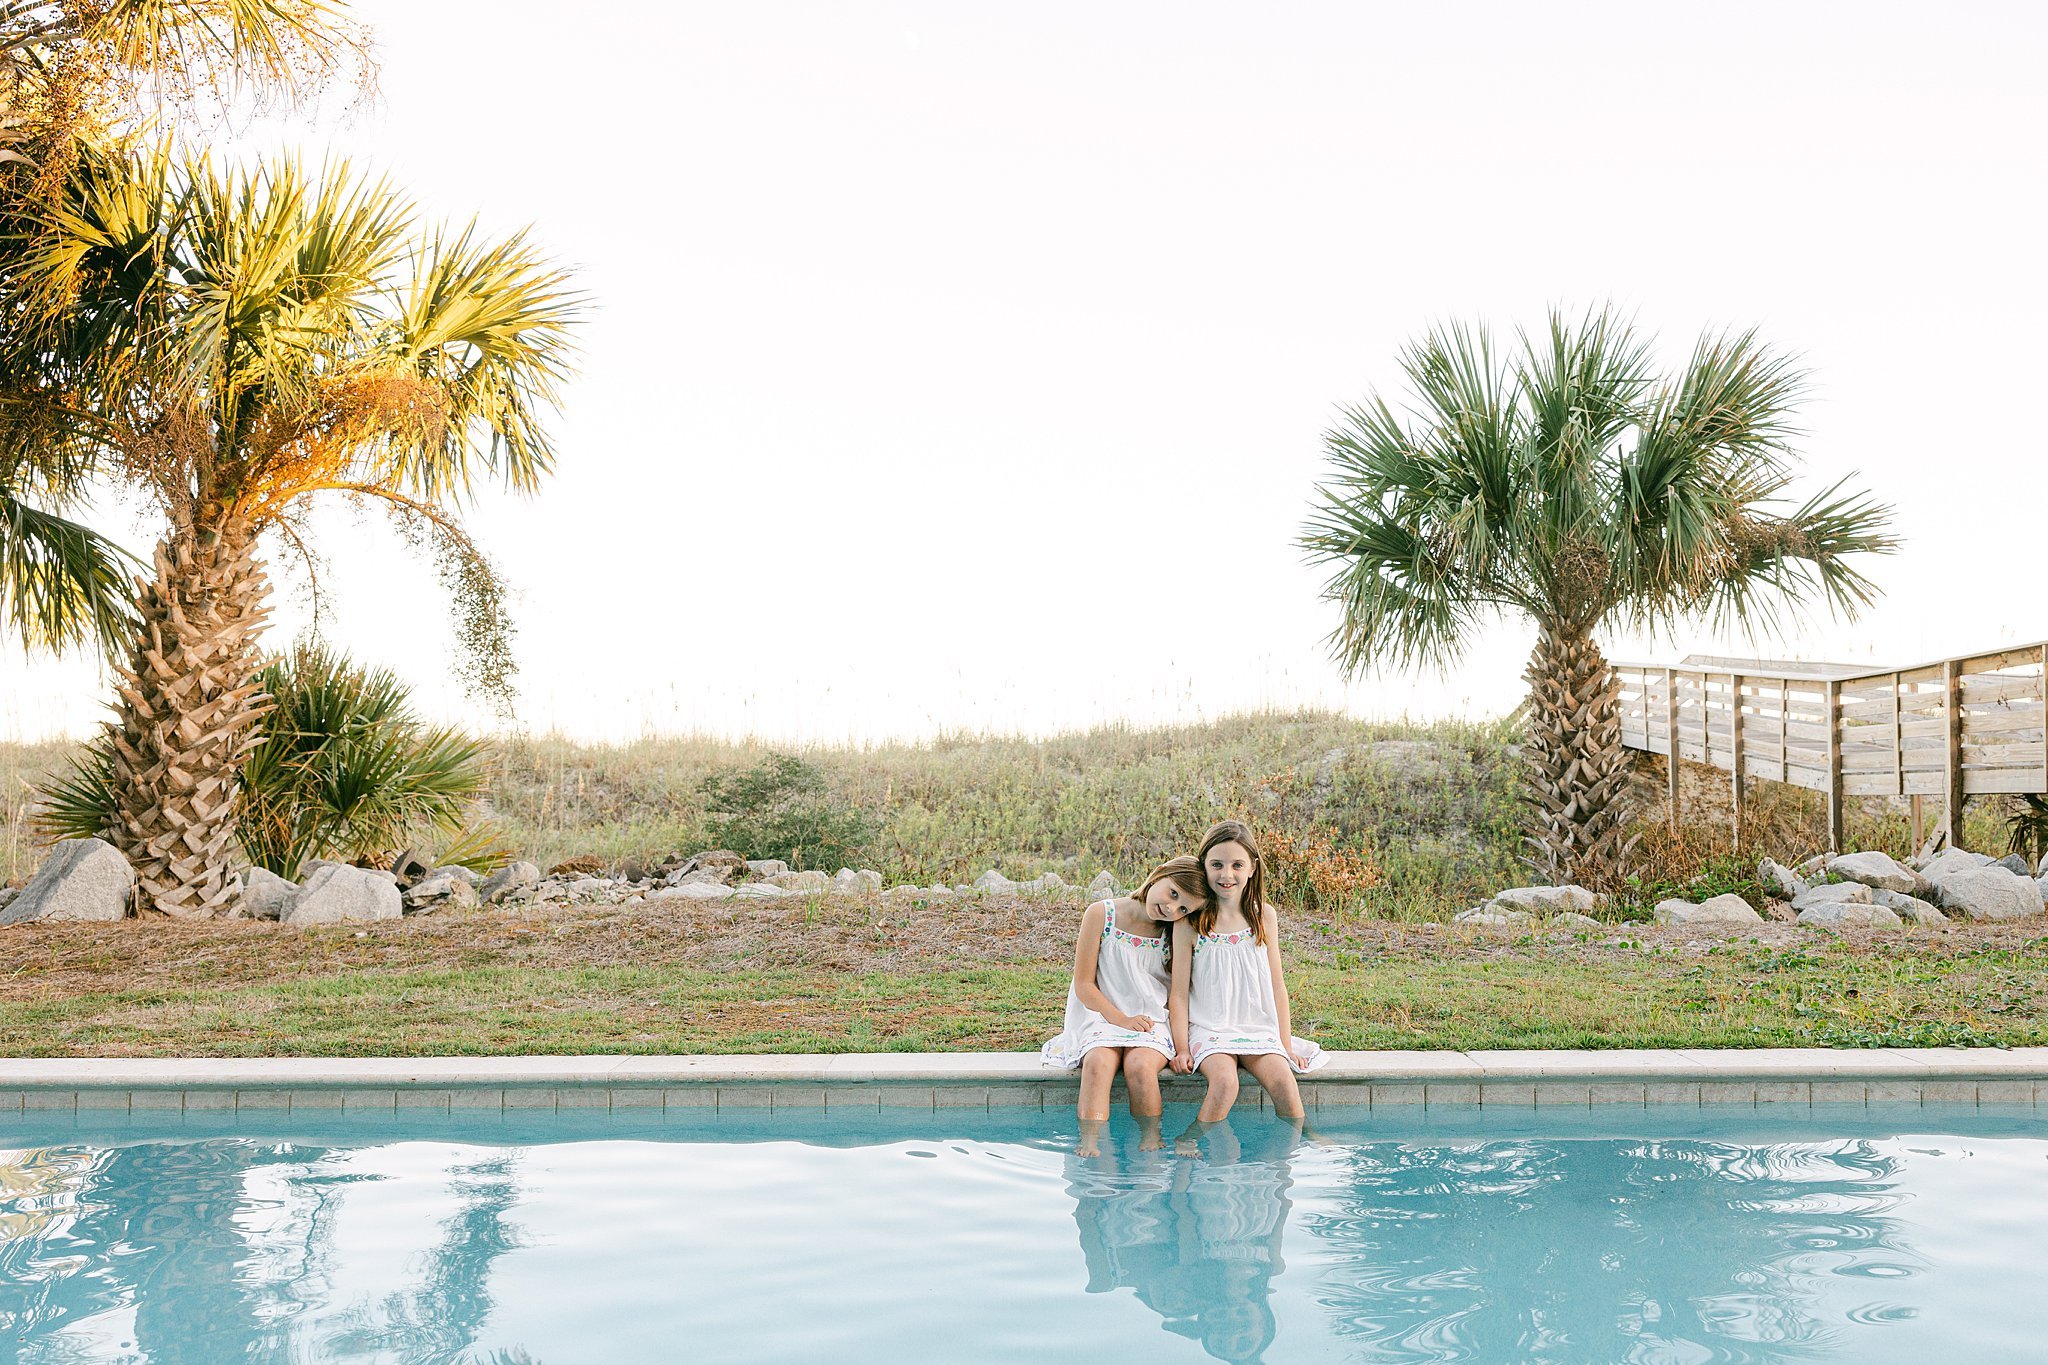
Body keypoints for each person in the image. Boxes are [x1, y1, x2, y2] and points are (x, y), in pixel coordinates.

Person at [1043, 855, 1209, 1143]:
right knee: (1098, 1063)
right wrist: (1121, 1019)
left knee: (1140, 1067)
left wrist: (1179, 1046)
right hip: (1101, 1014)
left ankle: (1150, 1138)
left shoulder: (1173, 933)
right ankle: (1091, 1141)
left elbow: (1176, 994)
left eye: (1182, 907)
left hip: (1151, 1019)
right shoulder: (1101, 914)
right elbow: (1084, 985)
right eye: (1172, 893)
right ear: (1158, 873)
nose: (1171, 908)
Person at [1169, 820, 1324, 1122]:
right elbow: (1178, 994)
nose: (1227, 874)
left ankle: (1293, 1148)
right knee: (1226, 1084)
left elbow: (1277, 986)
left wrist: (1285, 1043)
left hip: (1256, 1027)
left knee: (1284, 1083)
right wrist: (1182, 1049)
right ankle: (1192, 1141)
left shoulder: (1263, 916)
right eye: (1217, 865)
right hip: (1209, 1027)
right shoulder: (1189, 923)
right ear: (1203, 867)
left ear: (1252, 867)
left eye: (1236, 865)